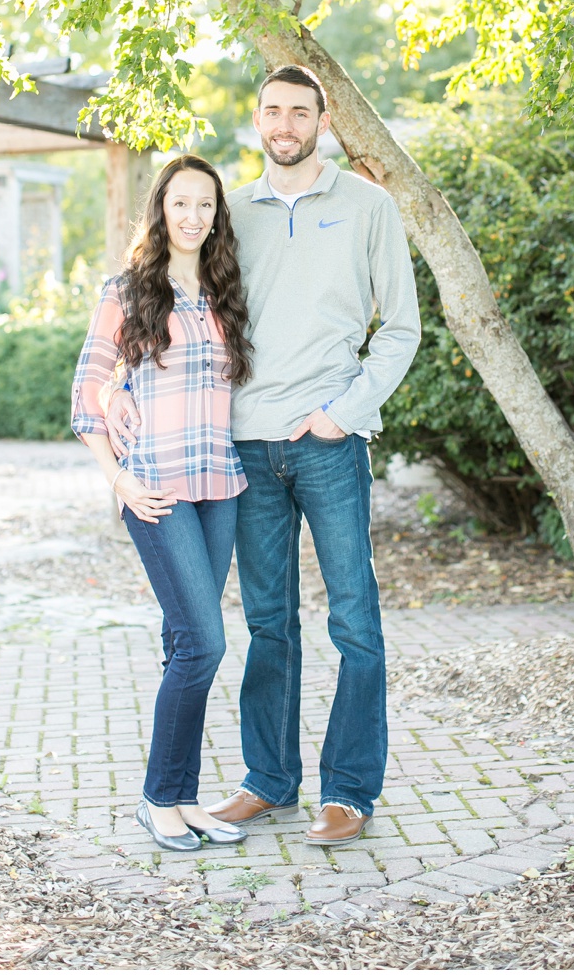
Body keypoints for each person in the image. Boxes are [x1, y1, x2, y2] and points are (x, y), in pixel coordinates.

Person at [200, 64, 421, 846]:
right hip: (249, 446)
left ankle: (350, 791)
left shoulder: (368, 207)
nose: (285, 123)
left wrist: (343, 414)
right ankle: (269, 780)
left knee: (355, 621)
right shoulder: (229, 212)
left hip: (329, 444)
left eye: (300, 110)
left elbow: (400, 328)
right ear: (257, 120)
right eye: (272, 110)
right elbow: (196, 317)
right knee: (268, 623)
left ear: (323, 121)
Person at [70, 153, 257, 853]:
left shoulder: (223, 288)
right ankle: (158, 797)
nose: (193, 215)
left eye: (205, 205)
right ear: (162, 208)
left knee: (188, 644)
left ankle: (183, 796)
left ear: (216, 215)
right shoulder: (128, 288)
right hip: (155, 488)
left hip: (220, 487)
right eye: (181, 203)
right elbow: (87, 389)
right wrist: (117, 479)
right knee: (205, 642)